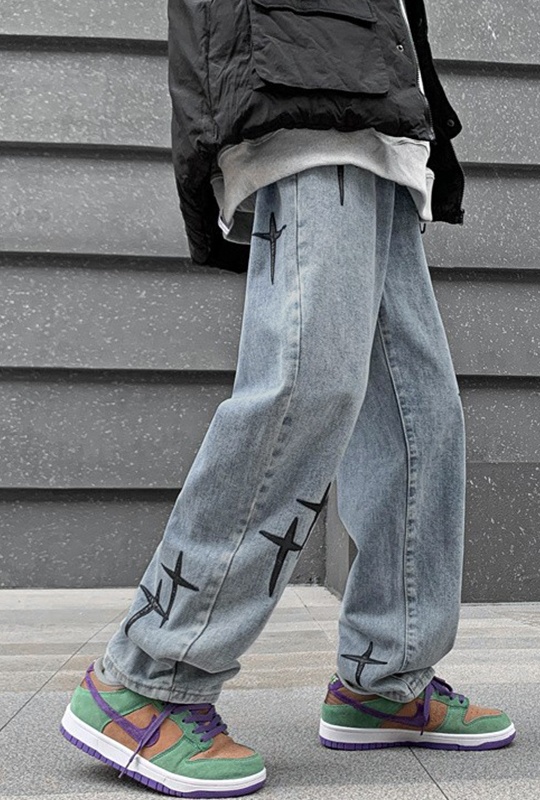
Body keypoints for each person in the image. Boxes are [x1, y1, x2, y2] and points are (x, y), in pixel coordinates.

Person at [59, 0, 516, 795]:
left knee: (420, 416)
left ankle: (387, 677)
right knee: (308, 383)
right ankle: (149, 679)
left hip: (377, 117)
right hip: (307, 95)